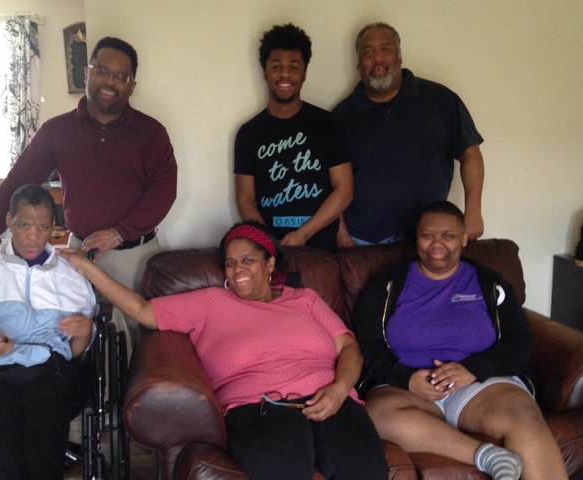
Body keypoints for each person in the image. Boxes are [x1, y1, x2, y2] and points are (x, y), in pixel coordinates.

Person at [58, 221, 388, 479]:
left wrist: (339, 389)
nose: (238, 270)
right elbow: (143, 311)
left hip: (328, 397)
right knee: (281, 469)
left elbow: (348, 347)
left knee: (364, 467)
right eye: (230, 263)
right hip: (257, 406)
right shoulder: (210, 302)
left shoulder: (305, 300)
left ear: (270, 263)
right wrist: (88, 269)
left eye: (248, 260)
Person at [0, 36, 177, 340]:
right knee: (74, 339)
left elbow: (164, 191)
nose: (110, 82)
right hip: (80, 252)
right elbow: (18, 181)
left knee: (141, 346)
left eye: (121, 77)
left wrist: (119, 232)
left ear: (131, 85)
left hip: (135, 256)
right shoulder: (57, 131)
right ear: (87, 73)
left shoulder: (151, 132)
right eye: (103, 71)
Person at [352, 200, 567, 480]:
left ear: (464, 238)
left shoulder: (489, 283)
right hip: (408, 391)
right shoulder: (387, 285)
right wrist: (406, 378)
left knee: (523, 414)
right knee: (376, 417)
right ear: (416, 237)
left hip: (479, 387)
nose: (436, 244)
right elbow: (367, 345)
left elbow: (520, 343)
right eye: (427, 235)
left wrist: (473, 369)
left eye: (448, 236)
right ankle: (487, 456)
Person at [0, 184, 96, 480]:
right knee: (1, 461)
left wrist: (83, 334)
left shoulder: (70, 275)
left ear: (53, 228)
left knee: (43, 462)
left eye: (43, 227)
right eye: (24, 224)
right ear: (9, 221)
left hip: (48, 374)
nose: (33, 235)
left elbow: (75, 352)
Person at [333, 22, 485, 247]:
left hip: (429, 240)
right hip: (364, 243)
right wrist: (342, 237)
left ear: (399, 57)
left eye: (386, 49)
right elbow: (329, 184)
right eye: (368, 52)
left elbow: (470, 154)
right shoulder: (340, 117)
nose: (378, 59)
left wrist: (473, 212)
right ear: (358, 64)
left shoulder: (440, 100)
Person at [234, 24, 353, 250]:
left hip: (321, 248)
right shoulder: (249, 133)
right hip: (269, 251)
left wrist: (303, 234)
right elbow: (244, 199)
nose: (285, 74)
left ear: (305, 73)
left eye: (294, 67)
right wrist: (269, 243)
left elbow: (344, 190)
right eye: (276, 66)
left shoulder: (327, 124)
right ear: (264, 71)